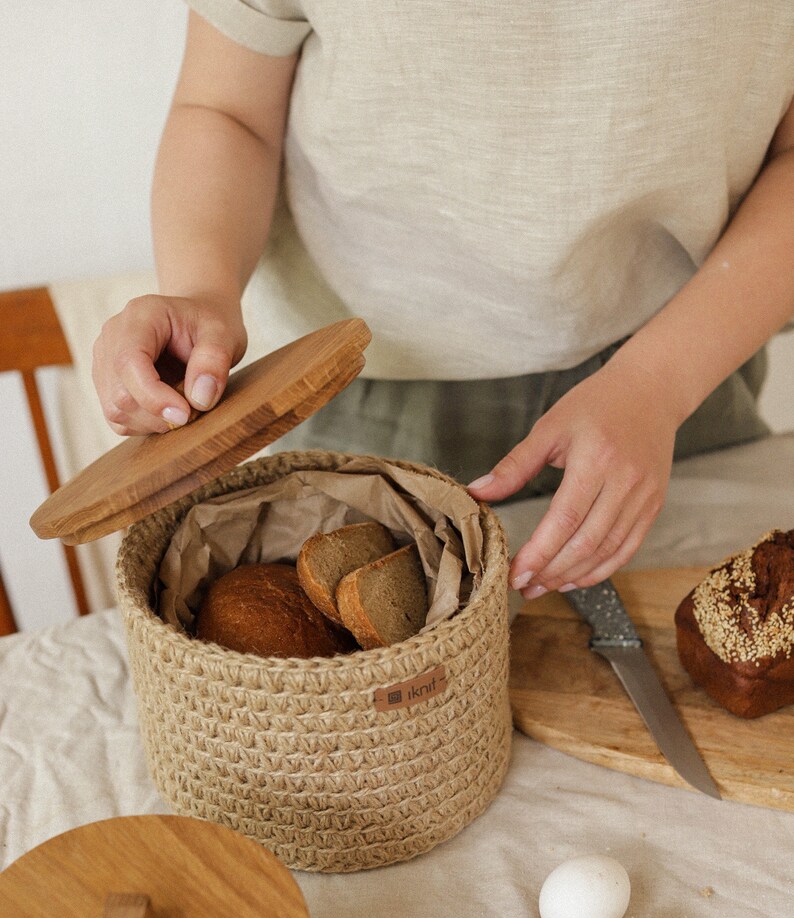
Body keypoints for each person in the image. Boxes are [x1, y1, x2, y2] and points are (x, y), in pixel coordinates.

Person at [92, 4, 794, 599]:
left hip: (682, 370)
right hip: (358, 386)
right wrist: (200, 288)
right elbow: (227, 108)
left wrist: (657, 383)